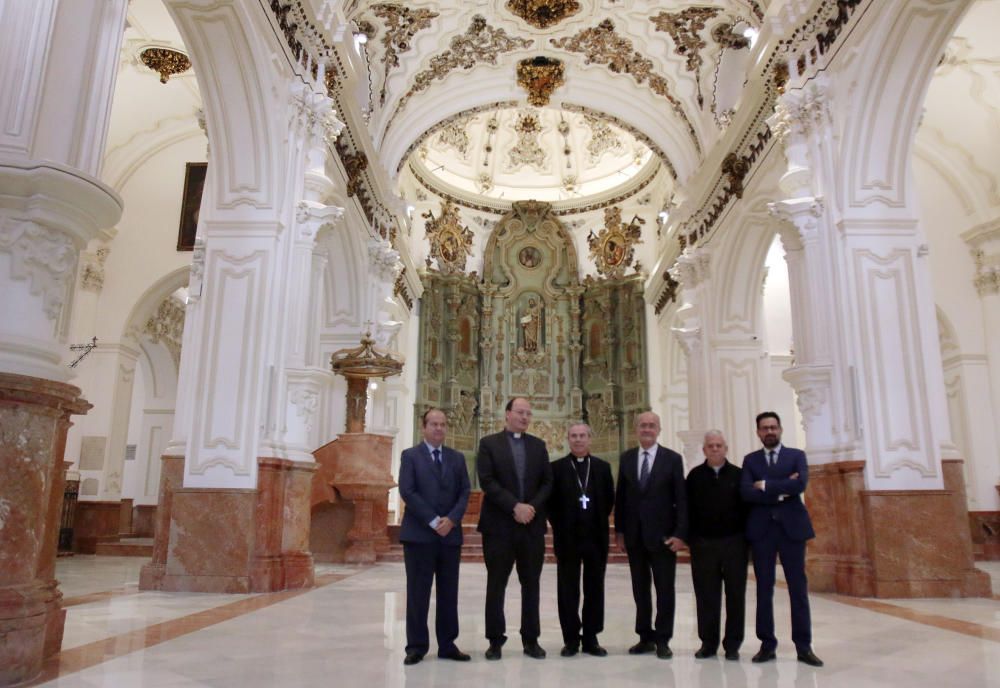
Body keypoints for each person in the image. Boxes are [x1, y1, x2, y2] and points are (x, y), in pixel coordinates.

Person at [740, 411, 823, 667]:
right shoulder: (750, 460)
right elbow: (746, 492)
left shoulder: (796, 456)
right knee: (763, 589)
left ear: (781, 429)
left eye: (773, 427)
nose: (769, 432)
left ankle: (804, 646)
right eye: (764, 428)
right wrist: (781, 487)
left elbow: (800, 486)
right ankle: (767, 644)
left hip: (792, 530)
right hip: (762, 531)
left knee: (798, 589)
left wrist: (764, 486)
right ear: (758, 432)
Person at [477, 397, 553, 660]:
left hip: (531, 527)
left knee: (531, 584)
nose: (525, 417)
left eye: (528, 414)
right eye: (520, 412)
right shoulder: (489, 444)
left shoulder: (538, 445)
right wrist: (514, 507)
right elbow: (487, 480)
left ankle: (531, 640)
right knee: (496, 583)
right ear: (507, 414)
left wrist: (530, 507)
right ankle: (495, 640)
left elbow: (547, 482)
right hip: (498, 526)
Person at [398, 408, 472, 666]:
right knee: (418, 592)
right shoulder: (410, 456)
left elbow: (465, 491)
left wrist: (451, 519)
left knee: (448, 592)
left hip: (449, 536)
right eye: (433, 424)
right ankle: (416, 646)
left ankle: (448, 644)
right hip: (419, 535)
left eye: (442, 424)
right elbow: (408, 491)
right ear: (423, 427)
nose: (439, 428)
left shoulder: (457, 458)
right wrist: (432, 520)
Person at [615, 411, 688, 659]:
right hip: (635, 537)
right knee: (640, 589)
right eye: (643, 425)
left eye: (651, 425)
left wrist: (680, 534)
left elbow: (681, 499)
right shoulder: (626, 459)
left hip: (664, 537)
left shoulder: (673, 459)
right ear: (636, 429)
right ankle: (644, 636)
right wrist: (620, 532)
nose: (647, 429)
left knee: (665, 589)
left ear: (659, 429)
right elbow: (621, 498)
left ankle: (663, 639)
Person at [547, 423, 615, 657]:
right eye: (574, 436)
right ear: (568, 439)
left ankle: (591, 637)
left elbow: (608, 500)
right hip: (567, 538)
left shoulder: (602, 468)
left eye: (582, 436)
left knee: (595, 588)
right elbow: (550, 505)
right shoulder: (555, 468)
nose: (578, 440)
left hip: (596, 537)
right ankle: (571, 639)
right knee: (568, 589)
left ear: (589, 439)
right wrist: (562, 526)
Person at [686, 430, 748, 661]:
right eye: (710, 445)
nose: (714, 449)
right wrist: (692, 539)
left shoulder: (739, 475)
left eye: (718, 445)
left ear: (725, 449)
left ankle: (732, 644)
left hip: (734, 544)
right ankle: (708, 643)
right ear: (704, 450)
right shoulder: (694, 477)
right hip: (703, 545)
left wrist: (745, 542)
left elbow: (747, 510)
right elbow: (687, 510)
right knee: (706, 596)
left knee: (735, 596)